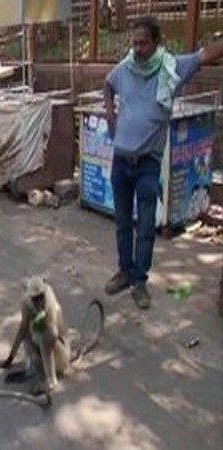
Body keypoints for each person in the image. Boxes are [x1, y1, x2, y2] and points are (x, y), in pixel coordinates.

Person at [103, 16, 223, 309]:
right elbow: (107, 84)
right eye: (134, 42)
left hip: (147, 164)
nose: (138, 49)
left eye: (143, 43)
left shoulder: (172, 68)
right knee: (122, 223)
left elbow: (206, 54)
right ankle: (124, 272)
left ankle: (140, 281)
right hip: (121, 162)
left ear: (157, 43)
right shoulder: (125, 68)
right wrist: (111, 117)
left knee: (145, 226)